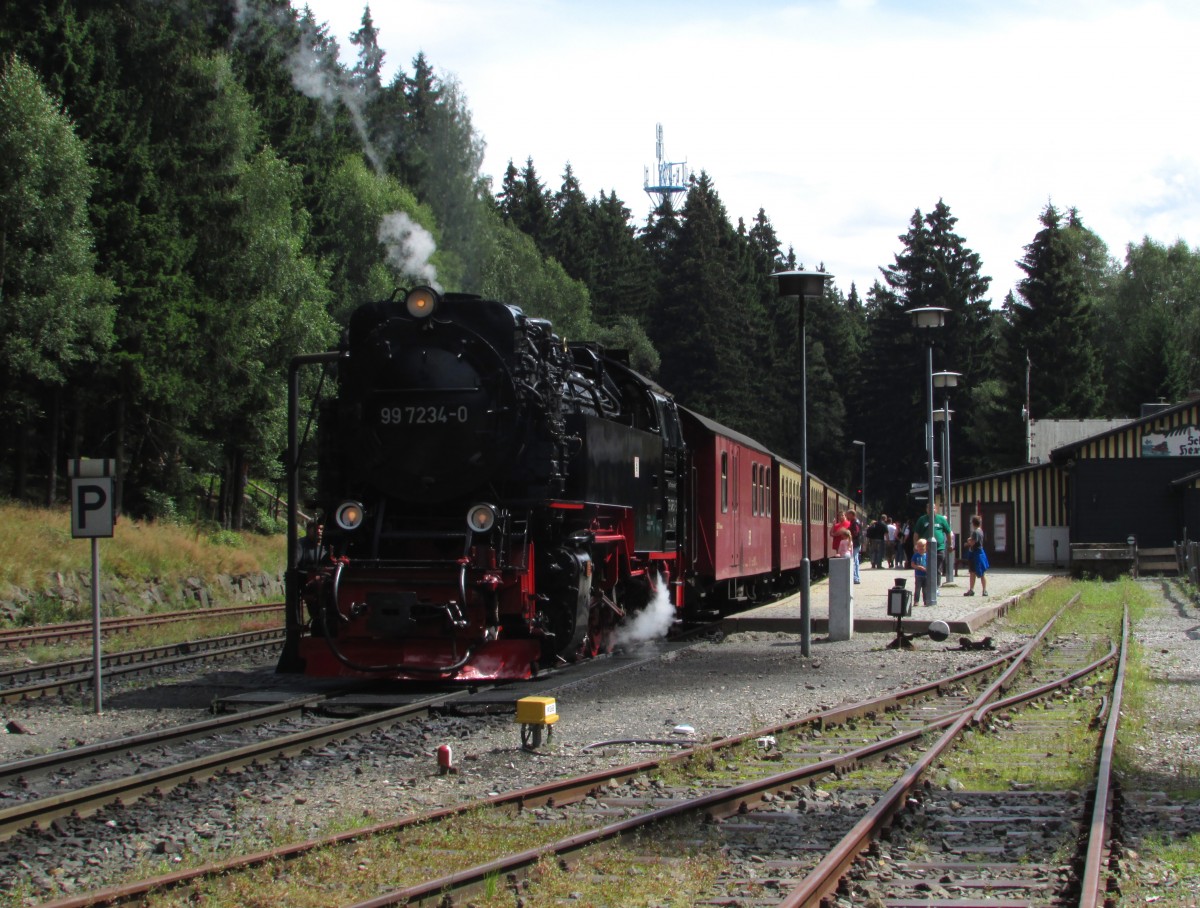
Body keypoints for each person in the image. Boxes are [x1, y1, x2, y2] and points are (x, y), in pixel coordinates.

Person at [913, 501, 953, 601]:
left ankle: (936, 587)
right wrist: (916, 545)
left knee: (937, 569)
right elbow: (916, 534)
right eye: (929, 508)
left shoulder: (941, 519)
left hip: (939, 548)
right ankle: (927, 587)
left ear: (936, 509)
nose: (932, 510)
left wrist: (950, 544)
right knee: (926, 568)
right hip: (925, 549)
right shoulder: (922, 520)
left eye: (933, 508)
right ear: (926, 510)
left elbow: (948, 532)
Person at [964, 514, 990, 596]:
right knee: (977, 572)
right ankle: (983, 590)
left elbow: (972, 542)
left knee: (976, 572)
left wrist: (967, 542)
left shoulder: (975, 532)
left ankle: (975, 590)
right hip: (979, 552)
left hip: (976, 553)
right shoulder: (980, 531)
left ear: (973, 523)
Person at [845, 508, 862, 584]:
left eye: (848, 514)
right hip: (856, 543)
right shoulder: (854, 522)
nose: (847, 516)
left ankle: (855, 578)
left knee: (854, 561)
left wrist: (849, 535)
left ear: (852, 515)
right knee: (856, 560)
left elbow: (855, 533)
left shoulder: (855, 522)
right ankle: (856, 577)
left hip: (855, 543)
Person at [912, 538, 929, 606]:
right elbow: (912, 564)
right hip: (918, 575)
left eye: (923, 546)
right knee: (917, 589)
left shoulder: (927, 555)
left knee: (925, 589)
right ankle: (916, 601)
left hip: (925, 575)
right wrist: (918, 567)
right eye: (919, 546)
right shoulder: (916, 555)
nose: (921, 548)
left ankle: (925, 601)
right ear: (917, 547)